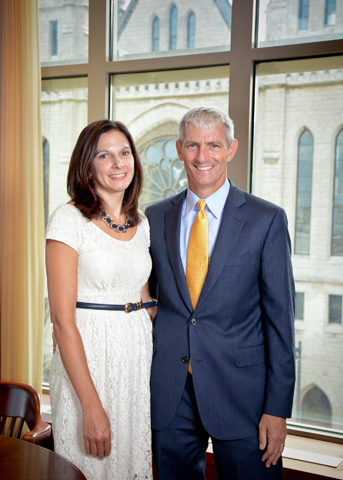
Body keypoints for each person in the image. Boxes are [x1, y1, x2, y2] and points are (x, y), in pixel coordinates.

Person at [145, 106, 295, 480]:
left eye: (213, 145)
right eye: (193, 145)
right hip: (170, 391)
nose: (202, 156)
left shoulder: (267, 219)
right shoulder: (154, 216)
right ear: (179, 149)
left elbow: (281, 323)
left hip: (244, 396)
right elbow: (145, 296)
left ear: (231, 149)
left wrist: (277, 409)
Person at [46, 119, 156, 480]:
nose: (118, 163)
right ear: (86, 165)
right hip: (89, 359)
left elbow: (143, 299)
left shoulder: (141, 222)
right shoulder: (68, 219)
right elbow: (62, 322)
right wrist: (91, 407)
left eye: (124, 153)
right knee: (89, 463)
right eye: (104, 155)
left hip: (136, 363)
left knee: (128, 463)